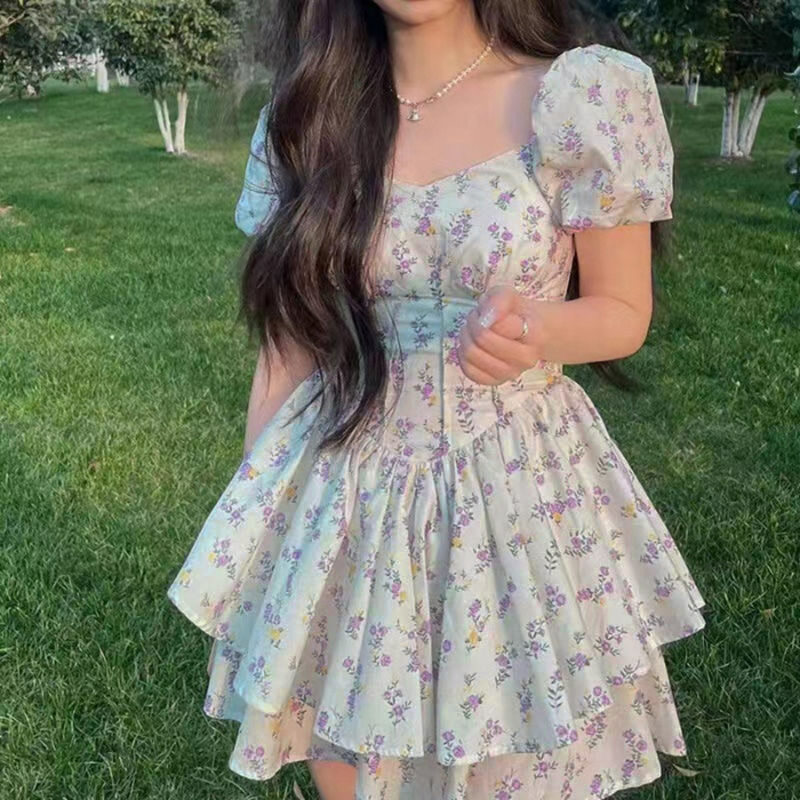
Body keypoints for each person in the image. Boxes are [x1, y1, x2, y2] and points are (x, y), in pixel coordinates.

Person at [167, 1, 708, 798]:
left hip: (512, 489)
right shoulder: (309, 113)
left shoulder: (578, 94)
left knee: (507, 740)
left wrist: (538, 329)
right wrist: (265, 525)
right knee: (347, 732)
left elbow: (624, 312)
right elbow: (289, 343)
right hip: (347, 484)